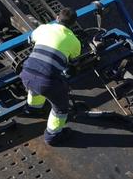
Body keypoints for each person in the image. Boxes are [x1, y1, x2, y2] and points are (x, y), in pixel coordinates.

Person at [18, 11, 84, 145]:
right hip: (46, 81)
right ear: (73, 24)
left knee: (35, 85)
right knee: (60, 108)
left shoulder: (44, 28)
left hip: (26, 74)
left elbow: (30, 40)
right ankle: (52, 136)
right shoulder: (75, 41)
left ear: (57, 18)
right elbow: (74, 61)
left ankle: (33, 109)